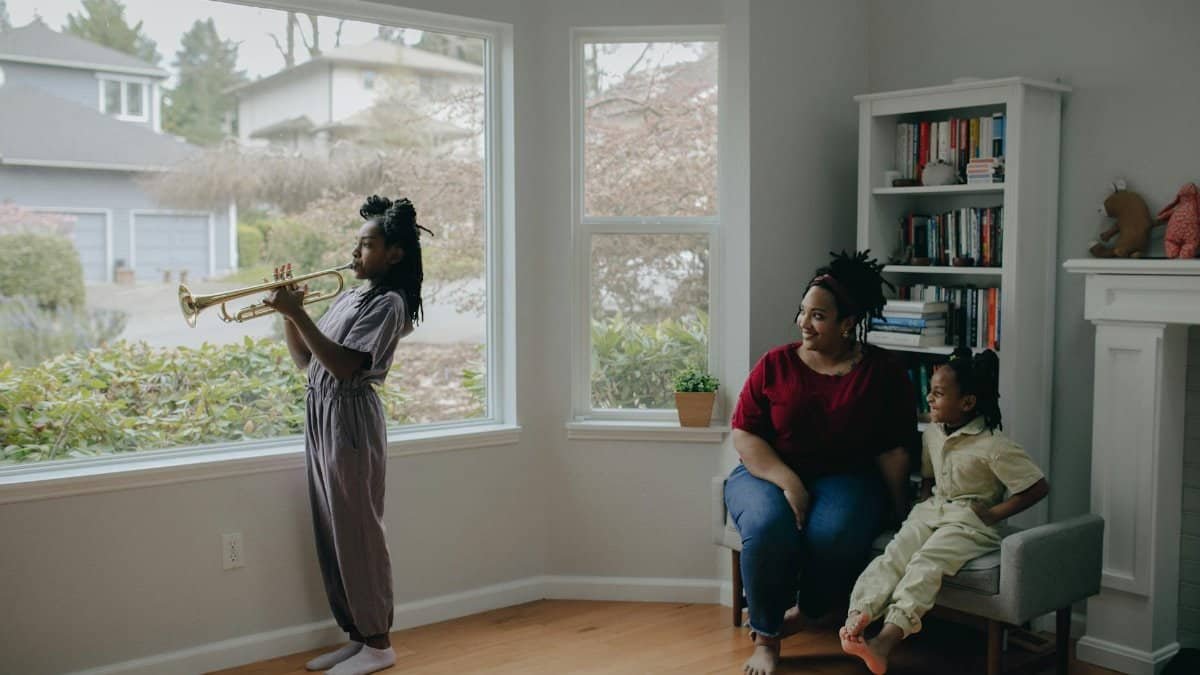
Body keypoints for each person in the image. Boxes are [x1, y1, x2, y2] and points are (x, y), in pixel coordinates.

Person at [725, 250, 916, 675]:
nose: (803, 324)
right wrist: (789, 483)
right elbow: (745, 433)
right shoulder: (776, 363)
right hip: (766, 470)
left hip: (847, 476)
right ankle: (767, 638)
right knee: (765, 525)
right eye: (802, 312)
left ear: (847, 323)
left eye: (818, 316)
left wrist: (899, 506)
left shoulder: (882, 371)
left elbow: (894, 447)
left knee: (834, 533)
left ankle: (811, 611)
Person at [264, 195, 431, 675]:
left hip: (351, 421)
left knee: (358, 533)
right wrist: (287, 315)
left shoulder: (391, 304)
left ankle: (380, 643)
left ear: (394, 253)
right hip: (321, 413)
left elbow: (343, 367)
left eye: (366, 245)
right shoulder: (352, 295)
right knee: (332, 530)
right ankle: (358, 638)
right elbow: (309, 364)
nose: (355, 254)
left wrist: (298, 312)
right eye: (357, 245)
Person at [839, 348, 1050, 674]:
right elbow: (927, 477)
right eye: (930, 391)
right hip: (932, 510)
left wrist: (994, 514)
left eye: (938, 393)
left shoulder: (994, 444)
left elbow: (1037, 487)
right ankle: (859, 617)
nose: (930, 399)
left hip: (969, 524)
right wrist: (921, 505)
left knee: (927, 562)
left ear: (966, 403)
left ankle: (884, 643)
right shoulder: (934, 433)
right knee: (895, 554)